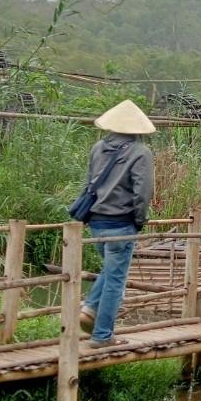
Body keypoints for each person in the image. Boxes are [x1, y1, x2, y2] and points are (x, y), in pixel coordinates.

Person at [79, 99, 156, 347]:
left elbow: (89, 183)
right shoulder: (140, 152)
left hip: (96, 222)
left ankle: (90, 308)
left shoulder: (97, 148)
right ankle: (102, 335)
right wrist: (139, 220)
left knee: (110, 271)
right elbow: (143, 192)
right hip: (121, 224)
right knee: (115, 280)